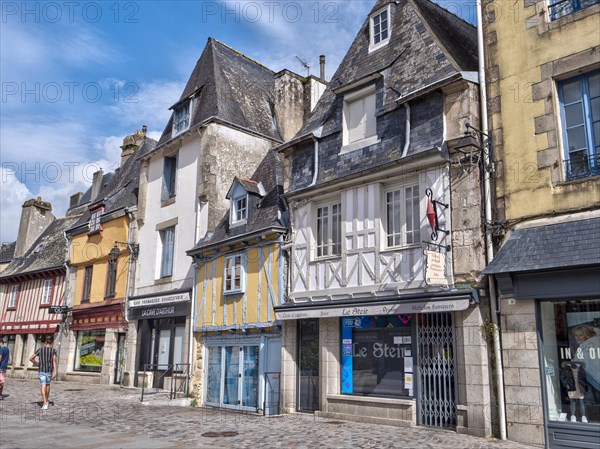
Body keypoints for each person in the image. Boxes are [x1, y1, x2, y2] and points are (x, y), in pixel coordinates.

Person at [29, 336, 57, 410]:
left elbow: (31, 358)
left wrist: (37, 363)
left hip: (41, 370)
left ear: (45, 342)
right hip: (49, 370)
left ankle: (45, 403)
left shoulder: (40, 350)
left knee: (43, 386)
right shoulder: (53, 351)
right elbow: (54, 361)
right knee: (47, 385)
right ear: (52, 343)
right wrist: (55, 371)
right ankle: (46, 401)